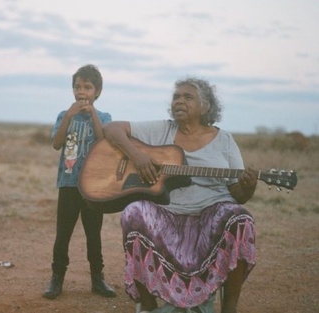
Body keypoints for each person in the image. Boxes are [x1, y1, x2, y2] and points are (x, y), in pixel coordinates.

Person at [103, 77, 257, 313]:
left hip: (210, 214)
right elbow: (111, 129)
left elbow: (238, 194)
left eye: (188, 97)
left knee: (241, 218)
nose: (179, 101)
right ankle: (147, 304)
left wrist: (248, 187)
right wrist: (137, 156)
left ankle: (229, 308)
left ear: (205, 106)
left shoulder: (225, 140)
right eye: (176, 97)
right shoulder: (163, 129)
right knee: (133, 212)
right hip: (167, 212)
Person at [43, 64, 116, 299]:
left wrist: (92, 113)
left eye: (87, 87)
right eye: (77, 87)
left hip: (94, 188)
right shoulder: (64, 116)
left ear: (98, 91)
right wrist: (70, 114)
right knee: (62, 234)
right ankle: (56, 279)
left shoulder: (104, 117)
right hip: (68, 184)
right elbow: (57, 143)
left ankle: (98, 278)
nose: (81, 91)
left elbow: (103, 141)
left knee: (93, 234)